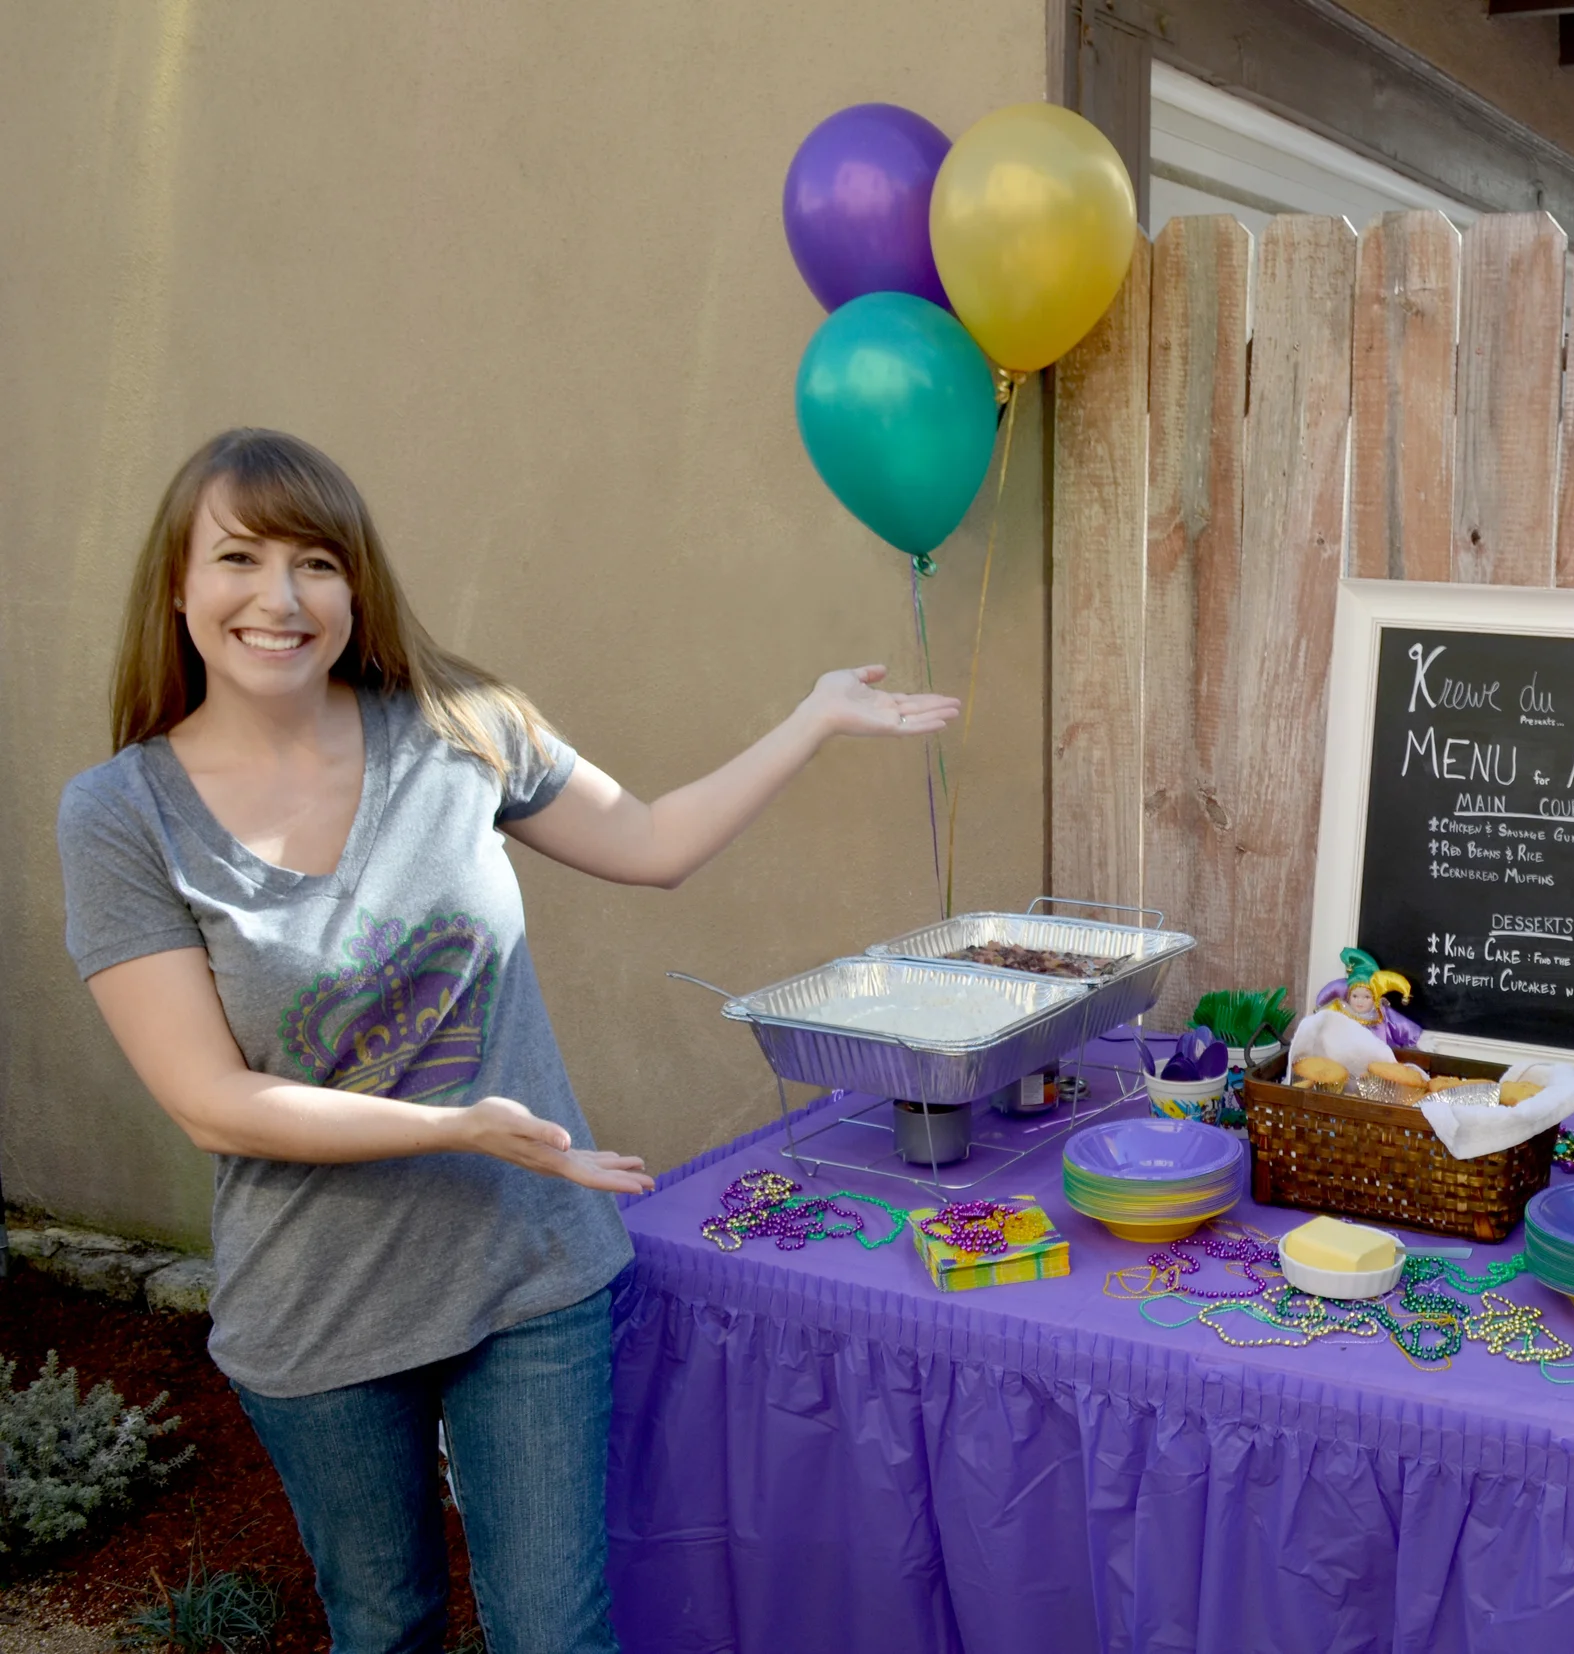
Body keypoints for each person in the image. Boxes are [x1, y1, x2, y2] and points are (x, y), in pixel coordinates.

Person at [55, 428, 959, 1654]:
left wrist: (812, 718)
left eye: (316, 561)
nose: (281, 597)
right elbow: (212, 1100)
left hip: (528, 1271)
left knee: (557, 1633)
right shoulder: (123, 815)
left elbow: (652, 843)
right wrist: (459, 1126)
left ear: (355, 582)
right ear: (177, 583)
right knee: (387, 1626)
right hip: (318, 1313)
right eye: (240, 557)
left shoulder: (458, 723)